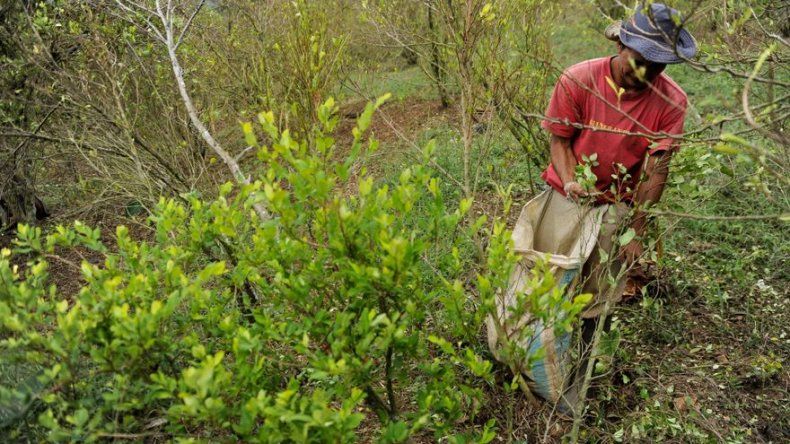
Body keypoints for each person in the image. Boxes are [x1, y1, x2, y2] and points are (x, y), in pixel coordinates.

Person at [537, 2, 698, 411]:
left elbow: (656, 170)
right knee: (549, 283)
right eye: (639, 61)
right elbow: (559, 140)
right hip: (566, 195)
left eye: (656, 66)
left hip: (617, 204)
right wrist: (572, 181)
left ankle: (581, 376)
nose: (644, 73)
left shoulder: (671, 101)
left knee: (597, 294)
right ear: (620, 44)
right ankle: (538, 362)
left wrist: (636, 230)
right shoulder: (578, 79)